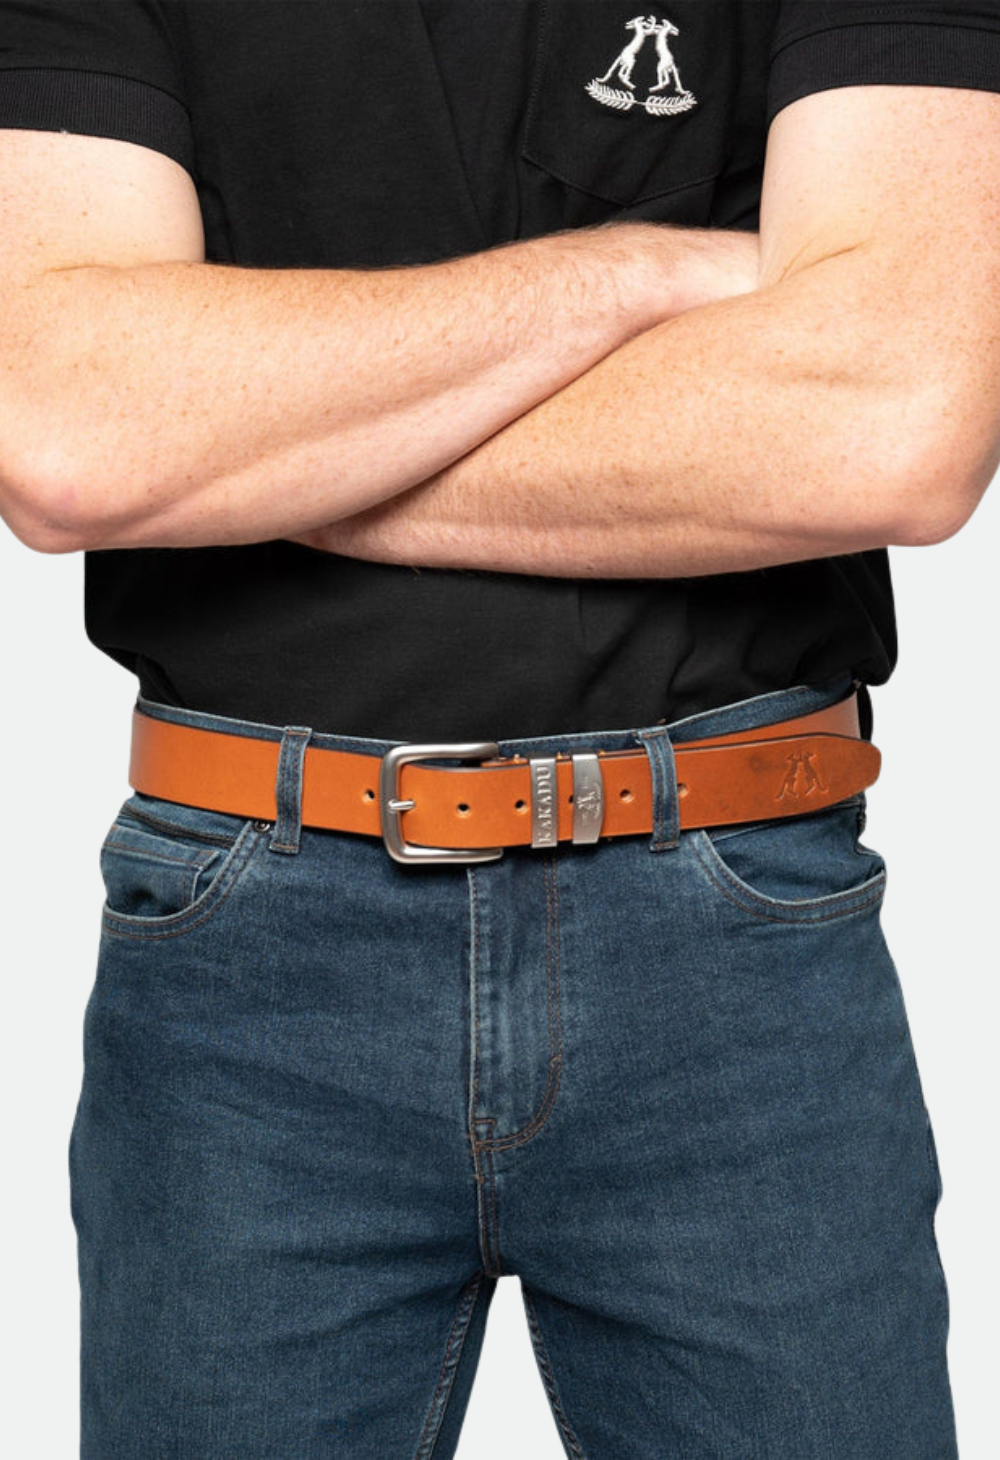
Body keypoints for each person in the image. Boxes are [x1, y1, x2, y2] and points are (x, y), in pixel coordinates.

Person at [0, 2, 997, 1456]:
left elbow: (887, 429)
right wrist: (639, 273)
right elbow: (73, 434)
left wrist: (258, 443)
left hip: (735, 932)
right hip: (249, 946)